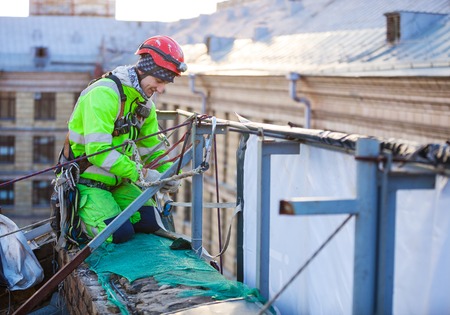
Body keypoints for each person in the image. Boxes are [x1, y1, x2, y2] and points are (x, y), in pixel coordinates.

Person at [63, 35, 187, 244]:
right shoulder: (104, 94)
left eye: (165, 83)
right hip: (88, 184)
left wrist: (170, 174)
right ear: (143, 70)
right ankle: (83, 221)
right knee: (119, 234)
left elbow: (152, 149)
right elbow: (98, 152)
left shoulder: (144, 105)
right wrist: (143, 174)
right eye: (158, 81)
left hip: (119, 183)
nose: (161, 89)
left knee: (151, 222)